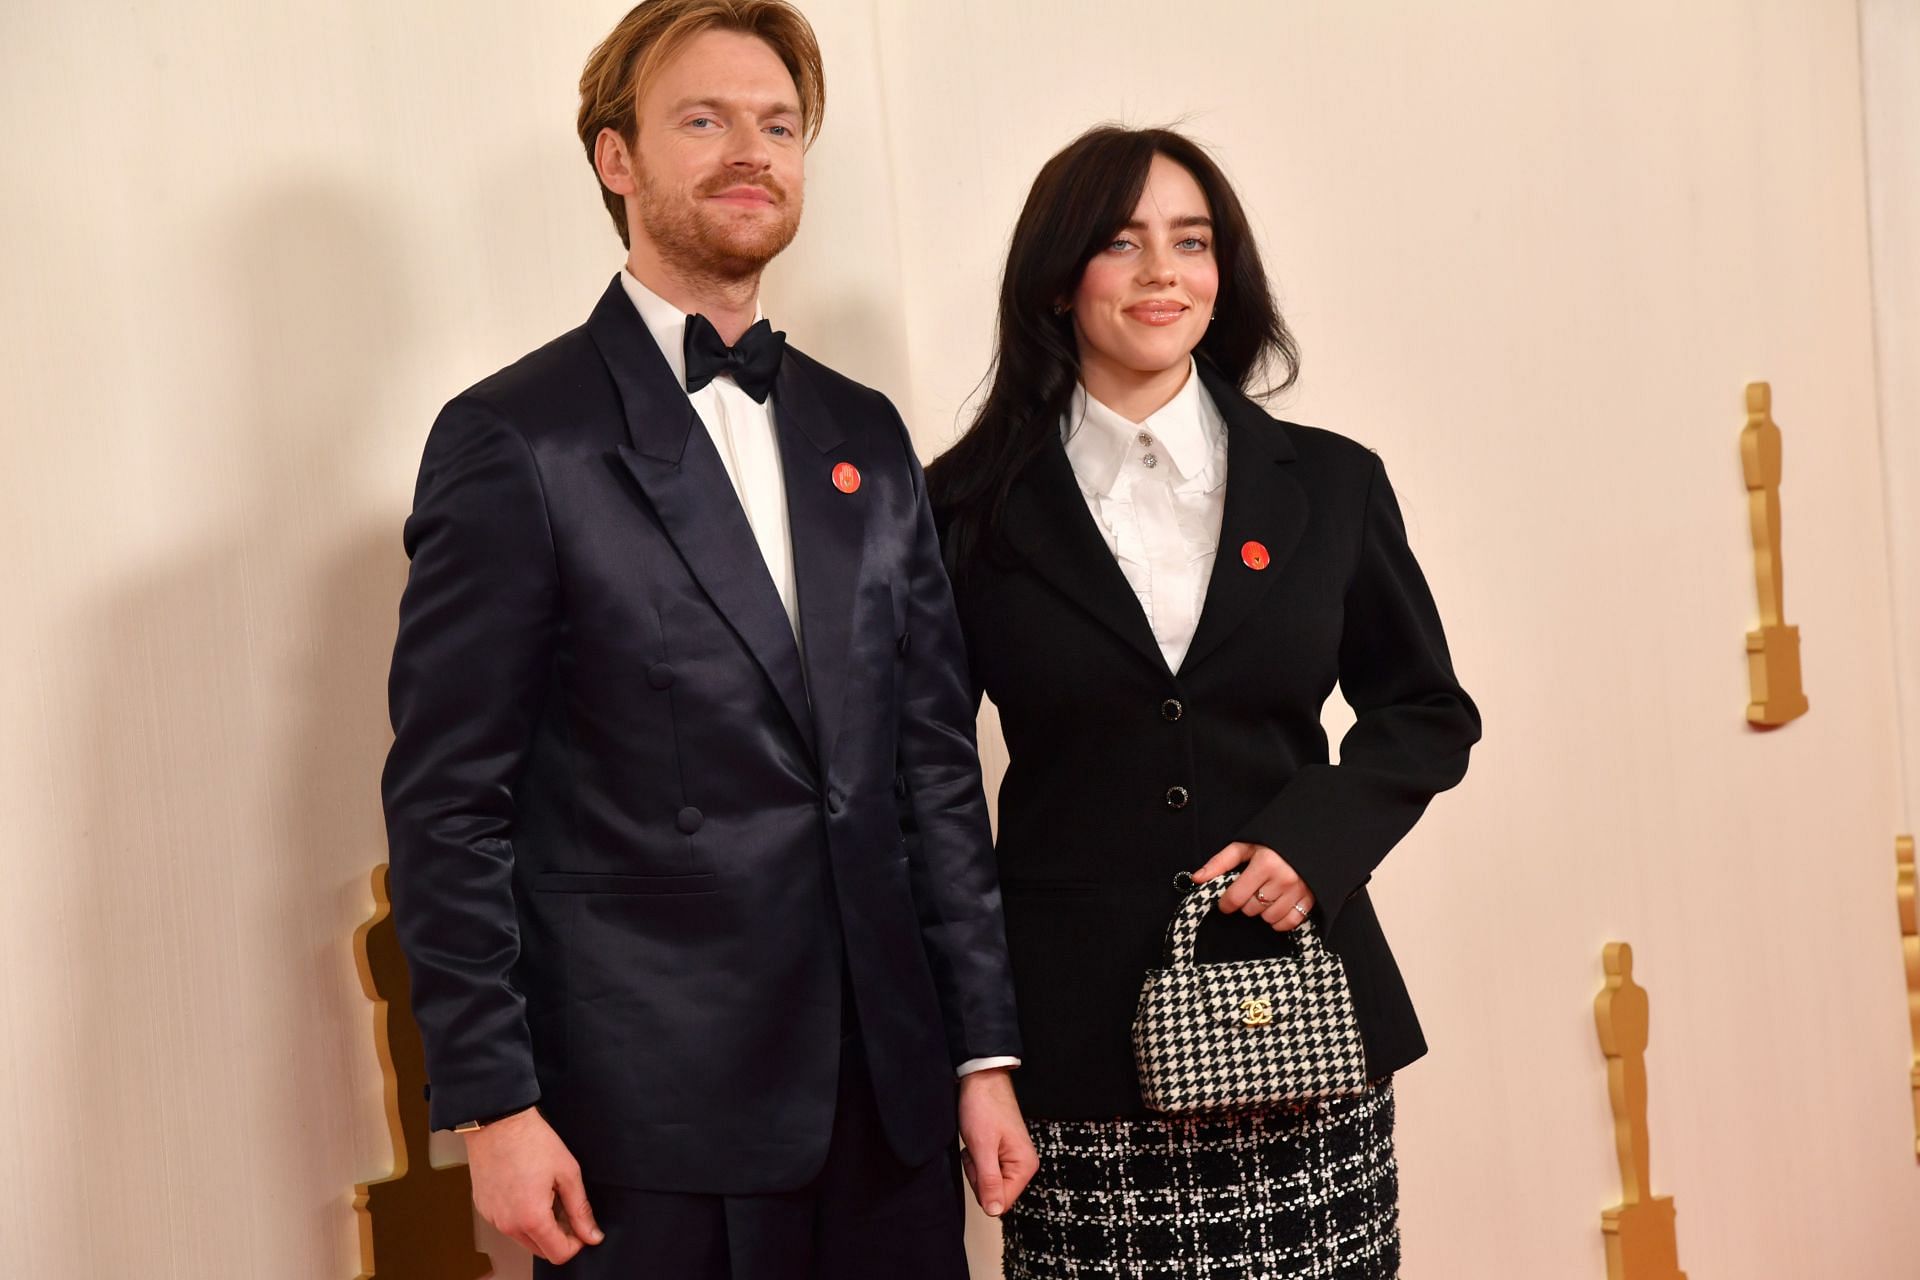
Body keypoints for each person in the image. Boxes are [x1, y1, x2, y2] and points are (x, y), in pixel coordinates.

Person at [380, 3, 1034, 1276]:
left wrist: (982, 1052)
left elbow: (932, 774)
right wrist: (495, 1105)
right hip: (645, 1122)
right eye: (704, 118)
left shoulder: (867, 431)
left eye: (779, 124)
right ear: (615, 157)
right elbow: (449, 802)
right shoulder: (515, 438)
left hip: (890, 1114)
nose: (752, 149)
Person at [927, 125, 1482, 1279]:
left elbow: (1426, 708)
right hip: (1071, 1052)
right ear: (1058, 275)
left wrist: (1315, 837)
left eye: (1192, 241)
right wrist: (977, 1055)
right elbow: (921, 778)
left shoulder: (1331, 482)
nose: (1162, 273)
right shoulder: (966, 503)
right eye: (1121, 244)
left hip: (1299, 1024)